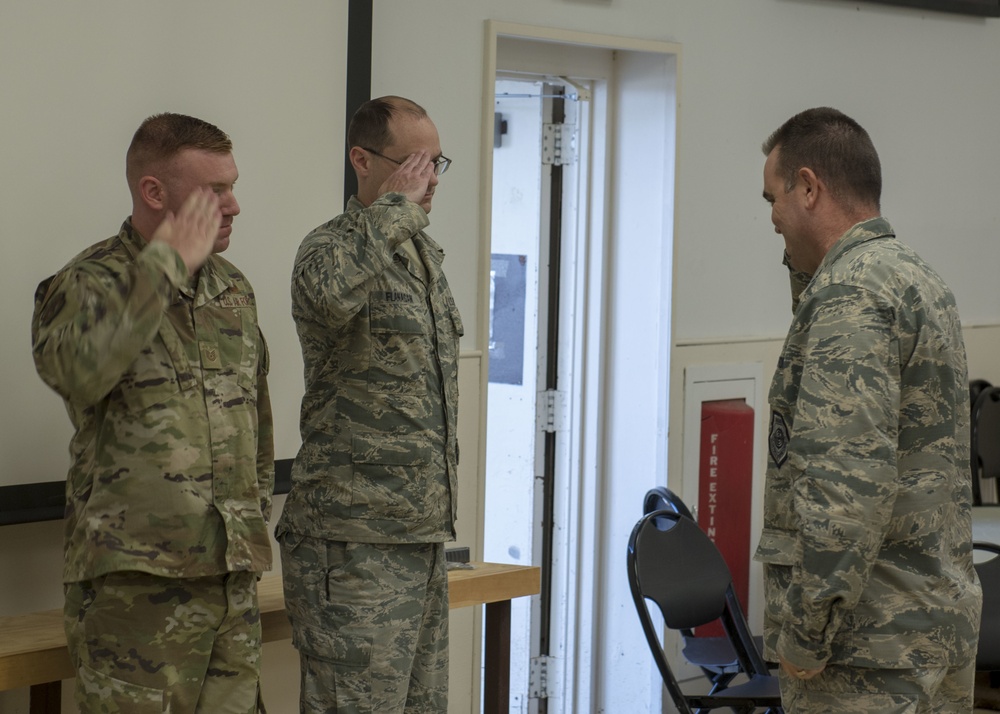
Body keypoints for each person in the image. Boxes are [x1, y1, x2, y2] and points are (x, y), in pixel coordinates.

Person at [31, 113, 273, 714]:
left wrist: (252, 523)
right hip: (135, 590)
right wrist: (167, 264)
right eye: (214, 191)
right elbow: (77, 371)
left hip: (230, 577)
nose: (234, 205)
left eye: (233, 185)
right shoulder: (87, 282)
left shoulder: (232, 288)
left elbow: (255, 421)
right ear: (154, 192)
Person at [753, 107, 981, 712]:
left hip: (865, 656)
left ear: (809, 187)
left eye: (773, 197)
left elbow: (844, 488)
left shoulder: (850, 293)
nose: (772, 218)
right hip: (934, 631)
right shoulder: (918, 279)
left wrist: (806, 634)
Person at [275, 95, 462, 713]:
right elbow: (330, 299)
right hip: (352, 545)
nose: (429, 180)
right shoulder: (329, 248)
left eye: (438, 164)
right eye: (414, 163)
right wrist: (394, 213)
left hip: (418, 536)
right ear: (362, 159)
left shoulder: (424, 259)